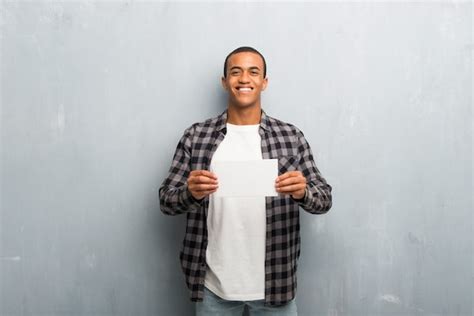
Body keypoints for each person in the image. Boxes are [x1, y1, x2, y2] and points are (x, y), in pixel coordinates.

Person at [159, 46, 332, 316]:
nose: (244, 79)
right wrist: (189, 193)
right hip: (213, 288)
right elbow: (166, 201)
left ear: (264, 82)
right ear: (224, 81)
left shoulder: (290, 136)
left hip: (276, 286)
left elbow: (324, 199)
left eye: (253, 72)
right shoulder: (197, 136)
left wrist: (303, 192)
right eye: (235, 72)